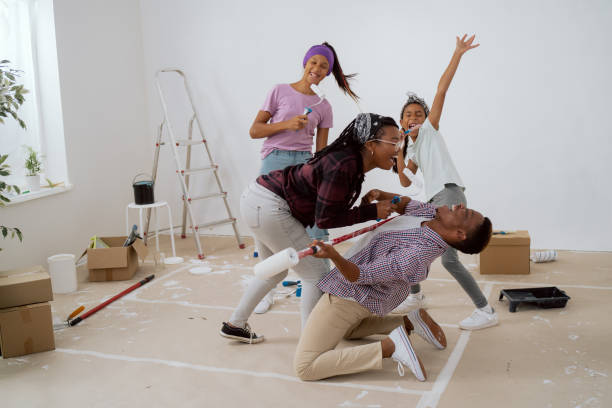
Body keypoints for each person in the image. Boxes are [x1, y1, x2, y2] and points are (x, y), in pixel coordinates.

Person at [220, 113, 403, 343]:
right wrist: (372, 212)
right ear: (370, 145)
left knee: (274, 270)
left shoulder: (350, 163)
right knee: (315, 274)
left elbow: (327, 209)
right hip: (269, 206)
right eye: (394, 141)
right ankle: (312, 342)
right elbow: (325, 219)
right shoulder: (344, 164)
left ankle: (235, 324)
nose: (399, 147)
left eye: (400, 141)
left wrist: (366, 208)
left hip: (257, 200)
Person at [293, 191, 492, 381]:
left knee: (306, 367)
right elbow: (406, 204)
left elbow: (361, 275)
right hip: (368, 300)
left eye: (464, 213)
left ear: (459, 234)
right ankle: (407, 323)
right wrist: (382, 195)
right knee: (348, 332)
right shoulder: (433, 215)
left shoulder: (416, 255)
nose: (460, 205)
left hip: (349, 295)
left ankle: (390, 347)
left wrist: (333, 256)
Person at [393, 34, 498, 330]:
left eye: (418, 113)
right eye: (408, 114)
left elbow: (441, 90)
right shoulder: (411, 147)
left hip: (448, 193)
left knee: (449, 261)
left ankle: (485, 311)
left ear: (425, 119)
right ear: (401, 121)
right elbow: (404, 180)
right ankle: (415, 295)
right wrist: (399, 152)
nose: (413, 116)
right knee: (414, 243)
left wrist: (457, 54)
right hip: (435, 198)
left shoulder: (429, 131)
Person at [248, 42, 358, 313]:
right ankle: (266, 289)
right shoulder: (279, 91)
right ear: (305, 63)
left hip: (304, 166)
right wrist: (287, 124)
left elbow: (321, 150)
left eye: (324, 66)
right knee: (264, 225)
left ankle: (316, 282)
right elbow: (255, 130)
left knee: (312, 224)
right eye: (314, 63)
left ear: (327, 73)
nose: (317, 69)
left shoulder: (324, 106)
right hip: (273, 161)